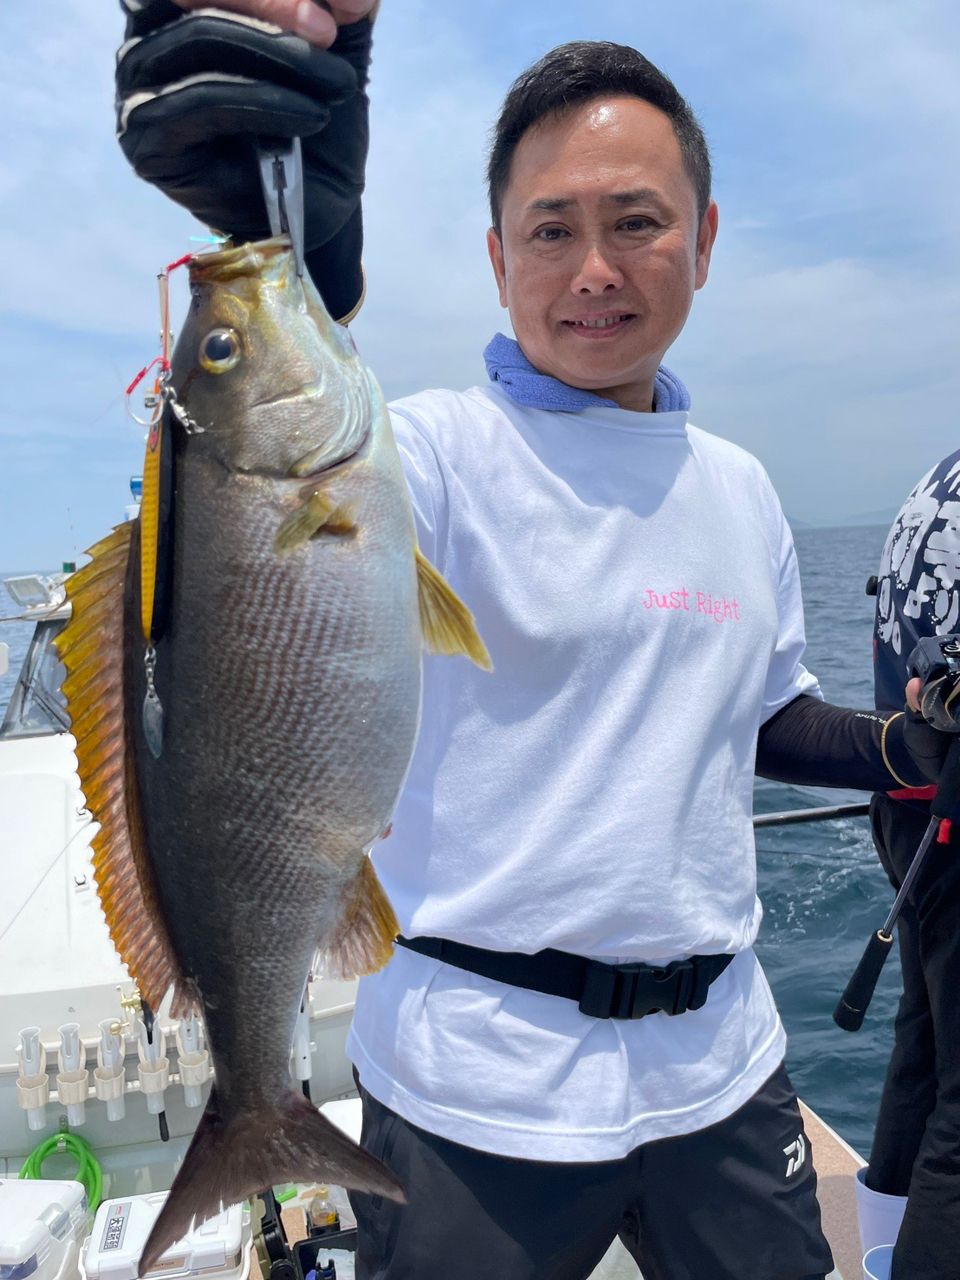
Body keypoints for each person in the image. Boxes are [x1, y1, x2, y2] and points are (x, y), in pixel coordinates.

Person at [113, 5, 954, 1276]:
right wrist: (286, 249)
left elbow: (764, 710)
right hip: (473, 1077)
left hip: (722, 1064)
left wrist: (904, 743)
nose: (594, 270)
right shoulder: (429, 455)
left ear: (705, 240)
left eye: (637, 223)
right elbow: (247, 527)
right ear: (499, 257)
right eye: (552, 231)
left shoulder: (739, 486)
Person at [853, 449, 960, 1280]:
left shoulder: (938, 479)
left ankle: (883, 1251)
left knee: (924, 1047)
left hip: (906, 807)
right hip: (948, 815)